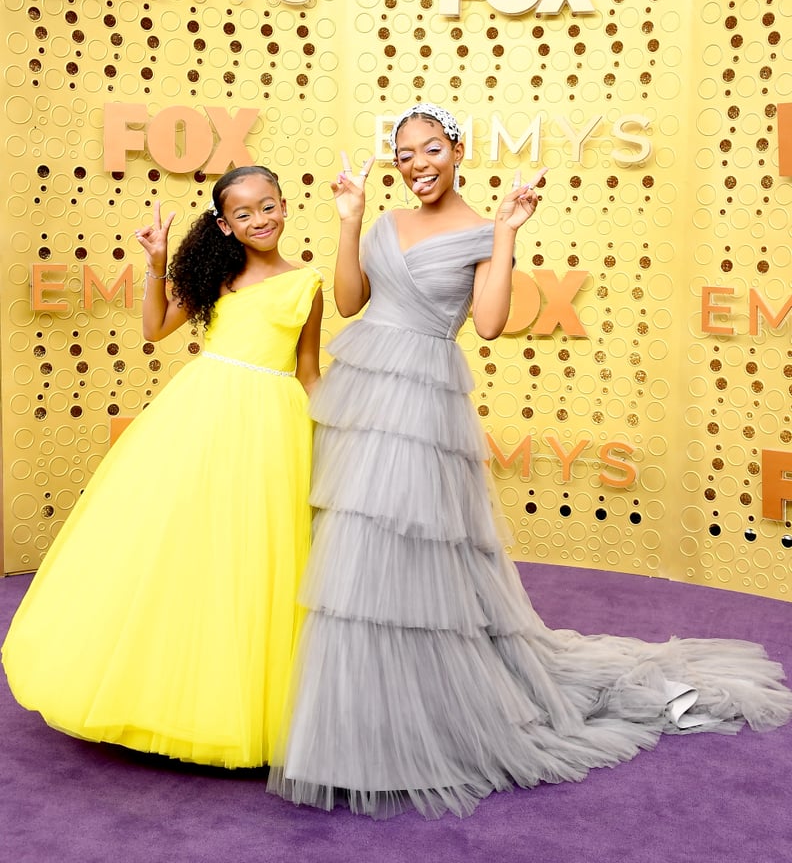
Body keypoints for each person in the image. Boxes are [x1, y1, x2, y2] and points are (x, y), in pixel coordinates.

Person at [267, 103, 792, 819]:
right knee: (350, 552)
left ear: (457, 150)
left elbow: (487, 323)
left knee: (405, 556)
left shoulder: (484, 229)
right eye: (403, 154)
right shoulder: (383, 222)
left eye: (430, 149)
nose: (416, 164)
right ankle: (351, 728)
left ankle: (409, 730)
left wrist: (508, 234)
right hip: (361, 391)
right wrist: (351, 219)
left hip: (421, 402)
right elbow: (353, 302)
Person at [3, 165, 323, 769]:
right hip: (204, 412)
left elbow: (307, 370)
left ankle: (243, 706)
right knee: (179, 538)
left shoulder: (307, 284)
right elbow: (155, 329)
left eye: (269, 206)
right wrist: (156, 265)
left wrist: (331, 429)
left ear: (285, 206)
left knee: (253, 554)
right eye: (244, 213)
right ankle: (155, 692)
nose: (260, 219)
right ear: (224, 225)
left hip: (273, 424)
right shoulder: (216, 274)